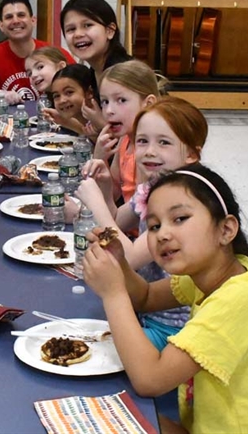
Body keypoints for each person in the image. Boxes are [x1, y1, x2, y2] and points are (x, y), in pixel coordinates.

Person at [82, 164, 248, 433]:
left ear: (226, 230)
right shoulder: (220, 271)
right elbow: (146, 297)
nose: (163, 234)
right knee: (98, 414)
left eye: (180, 218)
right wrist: (120, 262)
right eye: (154, 225)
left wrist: (112, 294)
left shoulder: (240, 299)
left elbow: (149, 379)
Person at [75, 97, 208, 349]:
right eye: (142, 141)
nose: (149, 151)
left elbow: (129, 256)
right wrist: (105, 189)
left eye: (164, 143)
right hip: (143, 309)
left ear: (191, 154)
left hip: (173, 328)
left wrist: (95, 205)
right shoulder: (150, 188)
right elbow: (116, 222)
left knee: (91, 349)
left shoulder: (183, 203)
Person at [0, 0, 74, 103]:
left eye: (21, 15)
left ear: (33, 20)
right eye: (9, 17)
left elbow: (80, 84)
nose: (16, 21)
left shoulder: (55, 53)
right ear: (1, 26)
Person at [94, 60, 165, 204]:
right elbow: (113, 194)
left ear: (148, 103)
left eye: (121, 100)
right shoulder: (125, 139)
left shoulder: (150, 153)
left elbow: (138, 214)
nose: (109, 111)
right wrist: (100, 159)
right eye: (105, 102)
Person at [61, 0, 131, 83]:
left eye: (87, 25)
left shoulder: (127, 75)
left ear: (110, 31)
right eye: (71, 29)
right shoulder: (92, 75)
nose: (78, 34)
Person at [44, 63, 99, 137]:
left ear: (89, 92)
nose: (62, 100)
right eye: (56, 96)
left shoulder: (101, 124)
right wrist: (63, 120)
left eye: (69, 92)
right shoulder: (87, 125)